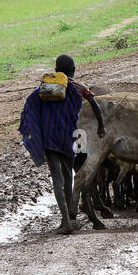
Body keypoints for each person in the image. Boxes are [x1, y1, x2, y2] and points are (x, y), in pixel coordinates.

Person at [19, 54, 106, 234]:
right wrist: (101, 126)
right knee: (69, 178)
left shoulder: (43, 89)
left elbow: (29, 106)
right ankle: (69, 220)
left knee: (57, 179)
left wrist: (32, 130)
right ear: (73, 71)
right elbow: (94, 101)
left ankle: (65, 220)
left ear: (56, 70)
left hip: (49, 138)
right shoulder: (77, 87)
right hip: (70, 137)